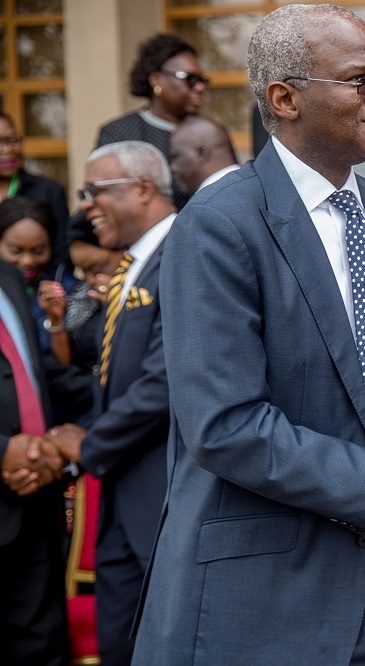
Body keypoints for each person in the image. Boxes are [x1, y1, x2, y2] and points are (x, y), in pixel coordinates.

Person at [130, 6, 365, 663]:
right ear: (285, 98)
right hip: (265, 600)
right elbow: (226, 425)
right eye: (360, 81)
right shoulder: (220, 222)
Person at [45, 141, 176, 666]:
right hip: (121, 496)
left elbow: (163, 382)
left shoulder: (185, 253)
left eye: (95, 191)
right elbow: (112, 378)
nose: (85, 206)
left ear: (143, 188)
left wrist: (86, 444)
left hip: (165, 498)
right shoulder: (131, 267)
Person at [0, 261, 70, 666]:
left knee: (41, 640)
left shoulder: (8, 277)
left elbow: (30, 374)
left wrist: (60, 443)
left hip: (37, 493)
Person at [95, 33, 207, 209]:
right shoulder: (119, 133)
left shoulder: (210, 133)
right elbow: (101, 198)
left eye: (202, 80)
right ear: (157, 79)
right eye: (190, 79)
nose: (199, 87)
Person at [0, 197, 79, 362]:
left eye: (38, 251)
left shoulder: (65, 289)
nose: (27, 261)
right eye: (16, 251)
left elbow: (64, 367)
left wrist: (55, 319)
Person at [0, 112, 70, 267]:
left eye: (14, 141)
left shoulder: (49, 190)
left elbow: (62, 256)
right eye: (0, 143)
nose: (9, 149)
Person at [167, 115, 239, 197]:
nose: (173, 167)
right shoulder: (253, 184)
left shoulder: (205, 205)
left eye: (177, 157)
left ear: (201, 153)